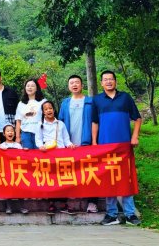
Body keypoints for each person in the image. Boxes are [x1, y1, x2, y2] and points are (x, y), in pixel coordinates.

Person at [92, 70, 142, 226]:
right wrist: (94, 142)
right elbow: (95, 122)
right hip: (106, 146)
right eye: (105, 79)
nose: (108, 81)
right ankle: (111, 213)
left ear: (115, 81)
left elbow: (137, 118)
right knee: (109, 179)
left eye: (111, 79)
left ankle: (130, 214)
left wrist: (134, 137)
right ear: (101, 83)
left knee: (126, 178)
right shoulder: (97, 100)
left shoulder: (125, 97)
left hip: (124, 146)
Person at [58, 74, 98, 213]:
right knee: (68, 173)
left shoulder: (90, 102)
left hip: (86, 143)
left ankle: (92, 202)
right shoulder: (65, 103)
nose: (74, 85)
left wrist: (94, 141)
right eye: (72, 83)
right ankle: (68, 202)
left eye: (77, 82)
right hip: (69, 144)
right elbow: (60, 123)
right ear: (68, 86)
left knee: (90, 173)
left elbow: (95, 121)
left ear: (82, 85)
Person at [36, 101, 76, 215]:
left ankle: (64, 204)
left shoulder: (61, 124)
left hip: (61, 155)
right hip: (47, 155)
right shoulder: (40, 125)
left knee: (62, 179)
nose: (48, 110)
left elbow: (66, 139)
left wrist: (70, 145)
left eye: (50, 108)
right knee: (50, 180)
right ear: (43, 112)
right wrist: (41, 146)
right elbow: (38, 139)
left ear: (54, 110)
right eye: (46, 109)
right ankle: (51, 204)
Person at [0, 124, 28, 214]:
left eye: (11, 131)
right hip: (7, 170)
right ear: (4, 134)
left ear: (14, 133)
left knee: (20, 188)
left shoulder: (18, 145)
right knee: (8, 189)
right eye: (7, 131)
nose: (10, 132)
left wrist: (25, 151)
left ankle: (22, 207)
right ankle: (8, 207)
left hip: (17, 170)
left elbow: (22, 157)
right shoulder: (2, 146)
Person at [15, 78, 47, 149]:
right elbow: (18, 121)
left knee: (40, 154)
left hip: (39, 133)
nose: (30, 87)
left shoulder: (43, 102)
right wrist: (17, 137)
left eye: (32, 86)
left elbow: (47, 118)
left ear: (36, 88)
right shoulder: (21, 103)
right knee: (28, 154)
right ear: (25, 88)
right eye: (28, 86)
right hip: (25, 134)